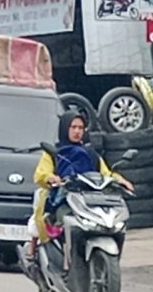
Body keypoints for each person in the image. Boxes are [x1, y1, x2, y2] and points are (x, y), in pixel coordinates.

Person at [29, 112, 118, 269]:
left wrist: (120, 180)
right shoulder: (54, 153)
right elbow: (40, 174)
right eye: (73, 127)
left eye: (81, 128)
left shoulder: (91, 154)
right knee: (63, 220)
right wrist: (51, 178)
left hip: (88, 200)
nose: (77, 131)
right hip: (62, 199)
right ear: (65, 128)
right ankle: (60, 261)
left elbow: (106, 173)